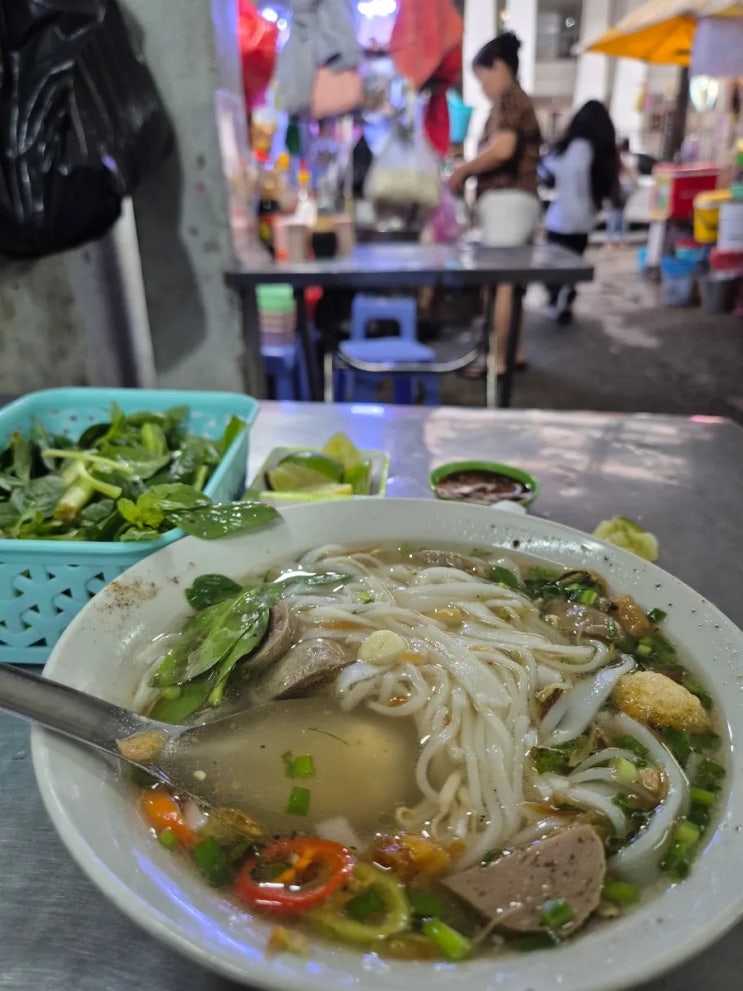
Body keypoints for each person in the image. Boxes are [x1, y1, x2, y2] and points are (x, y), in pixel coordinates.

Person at [446, 32, 542, 377]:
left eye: (482, 77)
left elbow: (502, 150)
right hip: (520, 202)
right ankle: (512, 352)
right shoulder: (515, 100)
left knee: (501, 282)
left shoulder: (509, 99)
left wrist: (463, 170)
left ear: (498, 67)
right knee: (511, 282)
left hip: (508, 202)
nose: (482, 87)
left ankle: (498, 360)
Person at [540, 100, 618, 324]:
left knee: (553, 266)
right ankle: (565, 298)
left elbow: (544, 173)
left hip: (559, 219)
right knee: (573, 264)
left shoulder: (564, 149)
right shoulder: (601, 152)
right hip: (584, 220)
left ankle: (556, 299)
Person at [605, 138, 638, 248]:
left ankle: (610, 241)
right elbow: (634, 175)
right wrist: (635, 184)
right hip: (629, 186)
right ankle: (623, 241)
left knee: (613, 214)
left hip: (618, 187)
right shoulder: (632, 159)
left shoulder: (617, 158)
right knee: (624, 215)